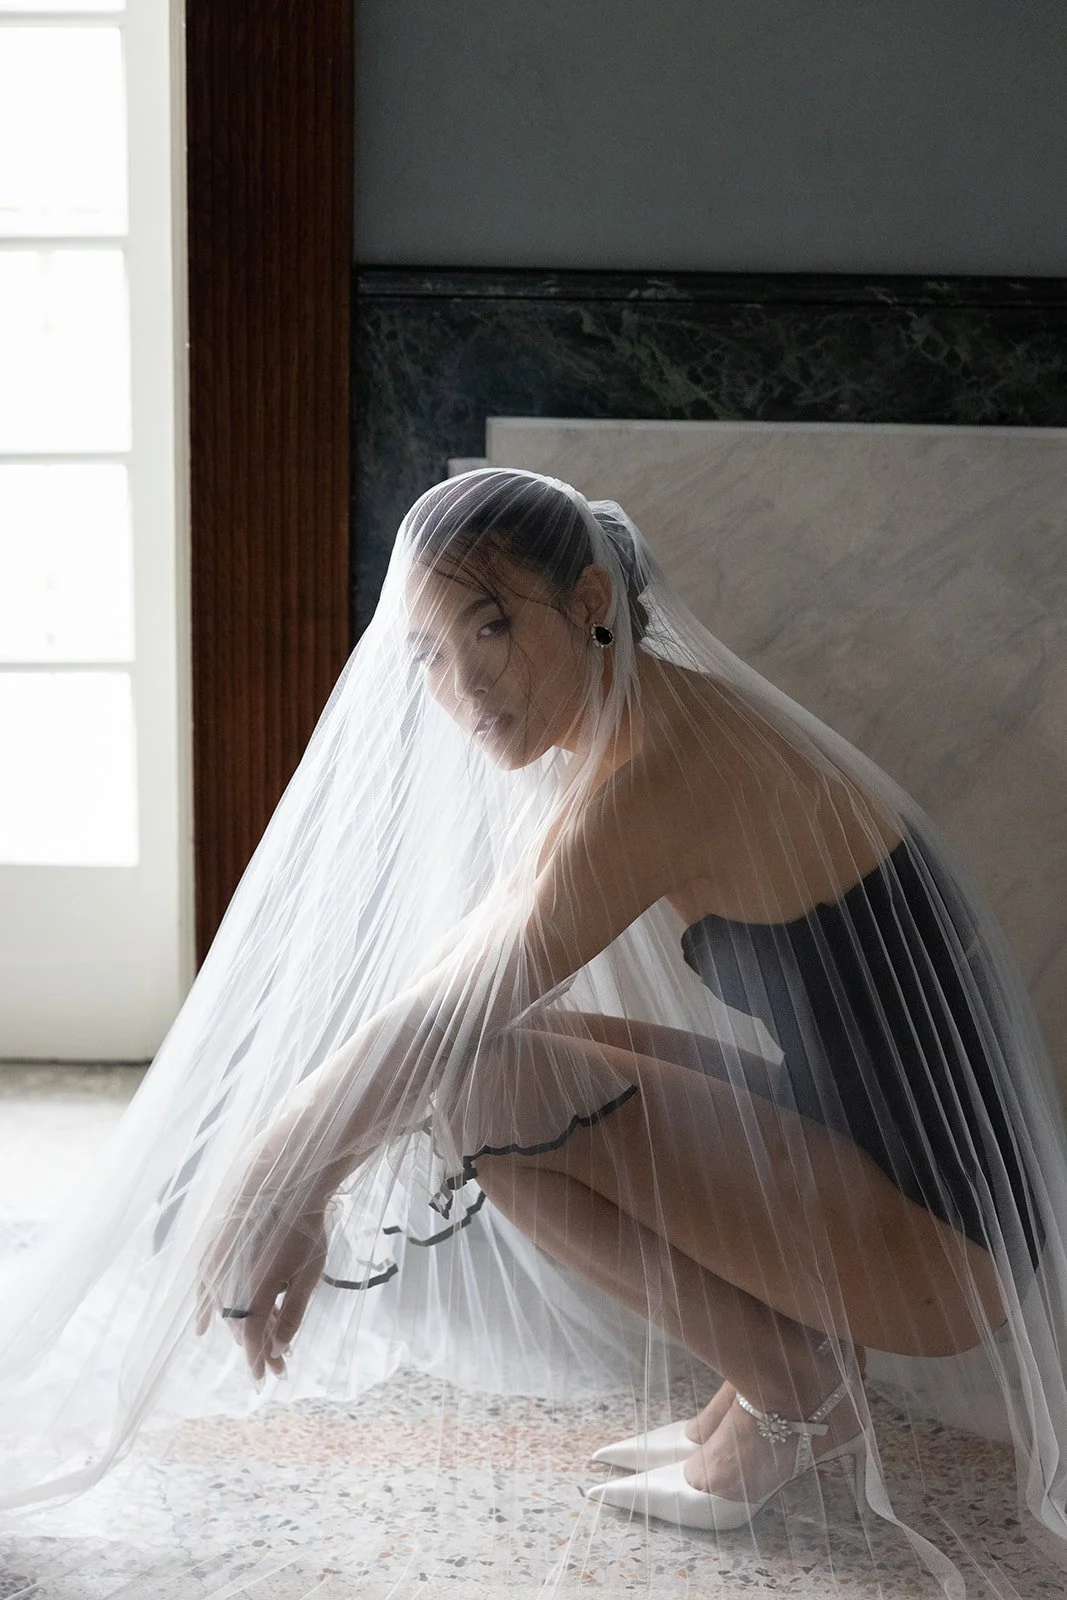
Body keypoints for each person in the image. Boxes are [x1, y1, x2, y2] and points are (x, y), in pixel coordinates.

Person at [3, 469, 1067, 1598]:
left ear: (590, 601)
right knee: (511, 1047)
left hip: (943, 1245)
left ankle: (793, 1394)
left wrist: (275, 1188)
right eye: (426, 652)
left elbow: (445, 1025)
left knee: (483, 1084)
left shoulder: (664, 776)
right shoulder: (648, 728)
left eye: (492, 627)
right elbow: (454, 979)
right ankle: (796, 1366)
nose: (460, 683)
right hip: (902, 1169)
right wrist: (298, 1176)